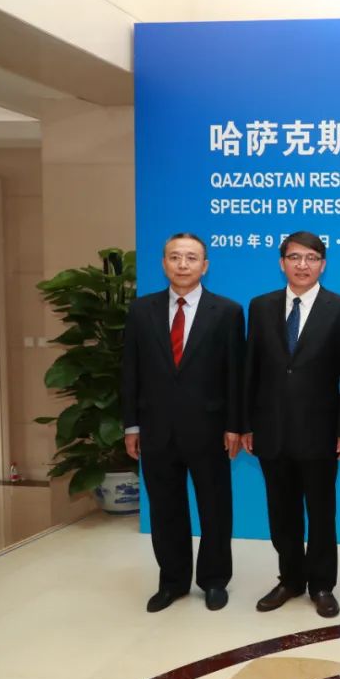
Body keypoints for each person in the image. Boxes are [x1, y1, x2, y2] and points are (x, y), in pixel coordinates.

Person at [122, 233, 244, 612]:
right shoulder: (141, 311)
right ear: (164, 264)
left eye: (191, 258)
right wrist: (131, 426)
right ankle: (172, 581)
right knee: (165, 509)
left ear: (204, 266)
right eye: (175, 257)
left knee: (215, 507)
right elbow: (130, 371)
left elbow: (235, 374)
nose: (183, 264)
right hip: (156, 429)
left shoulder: (226, 311)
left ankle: (214, 580)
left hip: (209, 429)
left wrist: (235, 425)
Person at [242, 231, 340, 618]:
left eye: (311, 258)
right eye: (294, 257)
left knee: (322, 512)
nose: (302, 265)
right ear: (282, 263)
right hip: (271, 428)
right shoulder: (260, 306)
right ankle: (290, 579)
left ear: (323, 265)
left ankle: (322, 585)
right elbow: (251, 369)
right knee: (281, 510)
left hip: (320, 431)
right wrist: (246, 423)